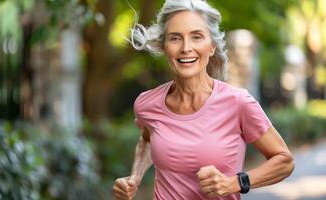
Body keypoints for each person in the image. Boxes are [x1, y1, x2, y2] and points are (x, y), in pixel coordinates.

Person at [113, 0, 295, 199]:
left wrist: (234, 182)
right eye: (175, 38)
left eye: (197, 37)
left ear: (212, 47)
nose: (186, 48)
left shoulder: (238, 102)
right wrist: (135, 177)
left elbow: (284, 161)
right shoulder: (147, 104)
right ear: (164, 47)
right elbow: (147, 139)